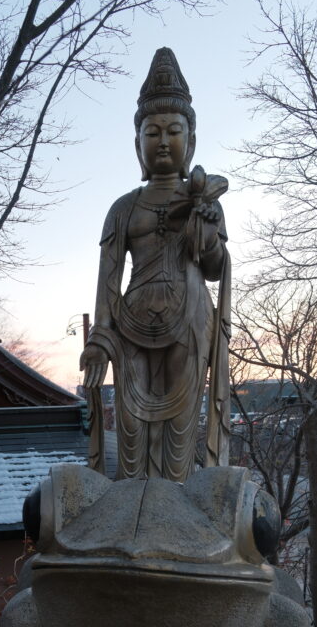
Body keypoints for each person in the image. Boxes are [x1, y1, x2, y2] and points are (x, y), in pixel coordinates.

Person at [80, 47, 231, 482]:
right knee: (131, 430)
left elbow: (216, 266)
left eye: (173, 131)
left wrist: (204, 224)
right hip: (131, 323)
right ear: (137, 144)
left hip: (189, 318)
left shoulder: (205, 201)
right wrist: (99, 337)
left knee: (180, 431)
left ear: (191, 141)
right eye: (152, 132)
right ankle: (133, 510)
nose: (163, 141)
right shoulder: (123, 208)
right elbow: (108, 279)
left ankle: (176, 514)